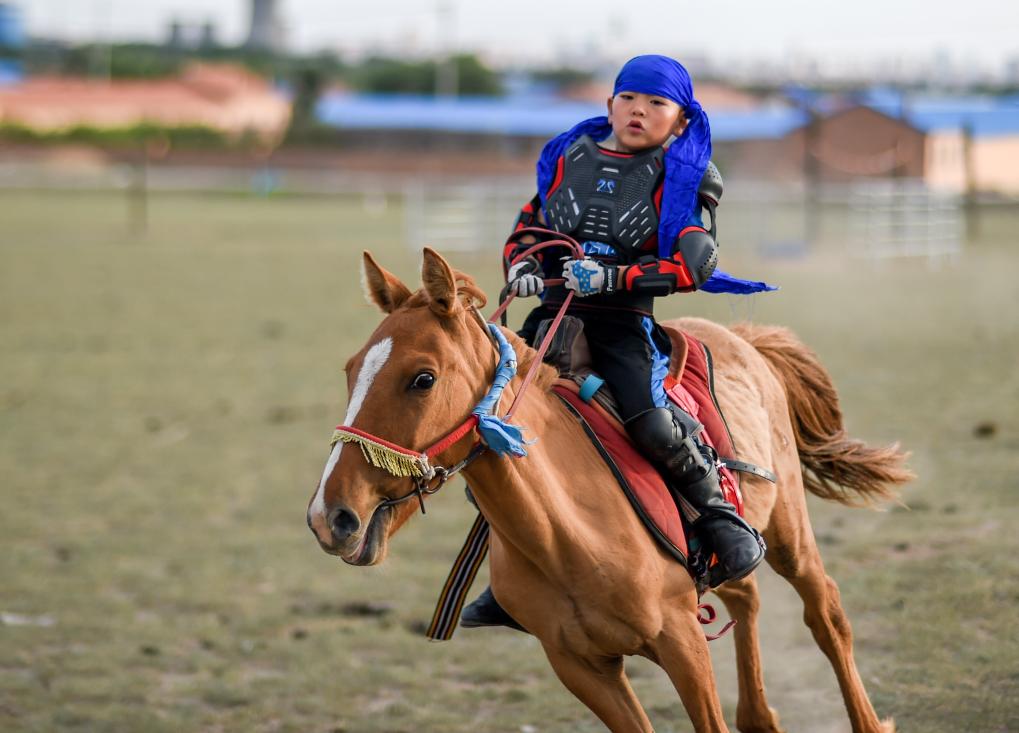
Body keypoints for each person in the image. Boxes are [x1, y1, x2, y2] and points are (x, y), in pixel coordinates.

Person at [461, 55, 772, 631]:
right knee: (490, 428)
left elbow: (695, 263)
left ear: (680, 121)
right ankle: (511, 582)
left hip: (623, 324)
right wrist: (527, 267)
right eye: (630, 98)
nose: (640, 111)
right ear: (610, 104)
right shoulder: (565, 155)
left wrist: (614, 278)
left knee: (651, 422)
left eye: (657, 104)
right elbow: (531, 227)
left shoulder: (687, 173)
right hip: (550, 316)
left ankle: (721, 518)